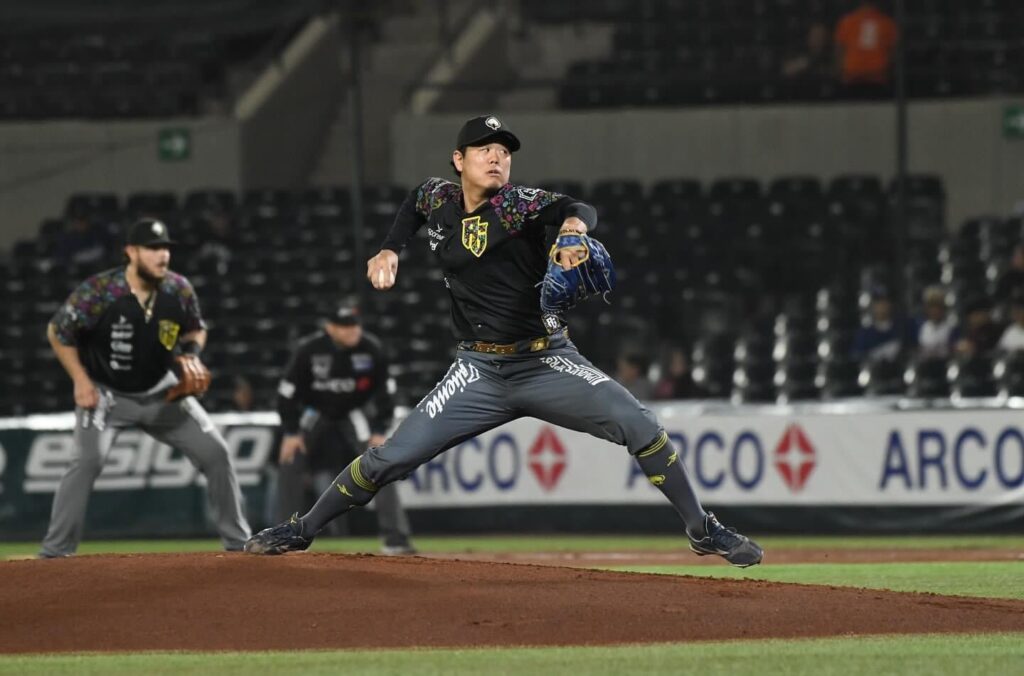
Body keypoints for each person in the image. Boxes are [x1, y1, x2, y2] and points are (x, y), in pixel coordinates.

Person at [246, 115, 763, 567]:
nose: (498, 158)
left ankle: (701, 530)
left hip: (546, 362)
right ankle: (302, 529)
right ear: (459, 159)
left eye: (505, 152)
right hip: (477, 372)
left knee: (640, 424)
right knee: (389, 458)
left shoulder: (521, 207)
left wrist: (573, 230)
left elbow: (573, 205)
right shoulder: (437, 197)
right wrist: (390, 249)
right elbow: (412, 205)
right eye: (486, 150)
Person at [39, 218, 251, 557]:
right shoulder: (101, 290)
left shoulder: (178, 289)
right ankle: (55, 554)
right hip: (106, 395)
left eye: (165, 247)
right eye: (153, 248)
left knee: (216, 452)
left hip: (162, 392)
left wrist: (192, 354)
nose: (162, 255)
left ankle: (238, 545)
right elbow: (58, 332)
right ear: (131, 252)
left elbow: (196, 329)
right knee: (87, 460)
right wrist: (80, 380)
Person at [275, 301, 415, 554]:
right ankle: (283, 537)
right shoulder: (309, 350)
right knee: (290, 459)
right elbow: (286, 394)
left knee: (382, 463)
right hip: (315, 411)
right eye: (344, 327)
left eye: (354, 326)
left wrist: (380, 430)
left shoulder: (371, 349)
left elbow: (387, 394)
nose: (352, 331)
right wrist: (291, 432)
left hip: (354, 411)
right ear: (330, 328)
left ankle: (395, 539)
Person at [834, 1, 898, 87]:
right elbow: (893, 54)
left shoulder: (847, 21)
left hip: (853, 76)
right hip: (877, 77)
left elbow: (838, 52)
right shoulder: (887, 23)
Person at [852, 288, 906, 363]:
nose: (881, 306)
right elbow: (856, 357)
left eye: (885, 302)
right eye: (878, 303)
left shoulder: (902, 328)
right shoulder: (865, 333)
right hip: (874, 372)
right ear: (872, 305)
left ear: (891, 304)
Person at [914, 286, 958, 359]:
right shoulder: (920, 327)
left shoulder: (951, 328)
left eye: (938, 307)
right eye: (931, 307)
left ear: (943, 309)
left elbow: (954, 349)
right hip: (925, 365)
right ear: (927, 309)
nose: (935, 311)